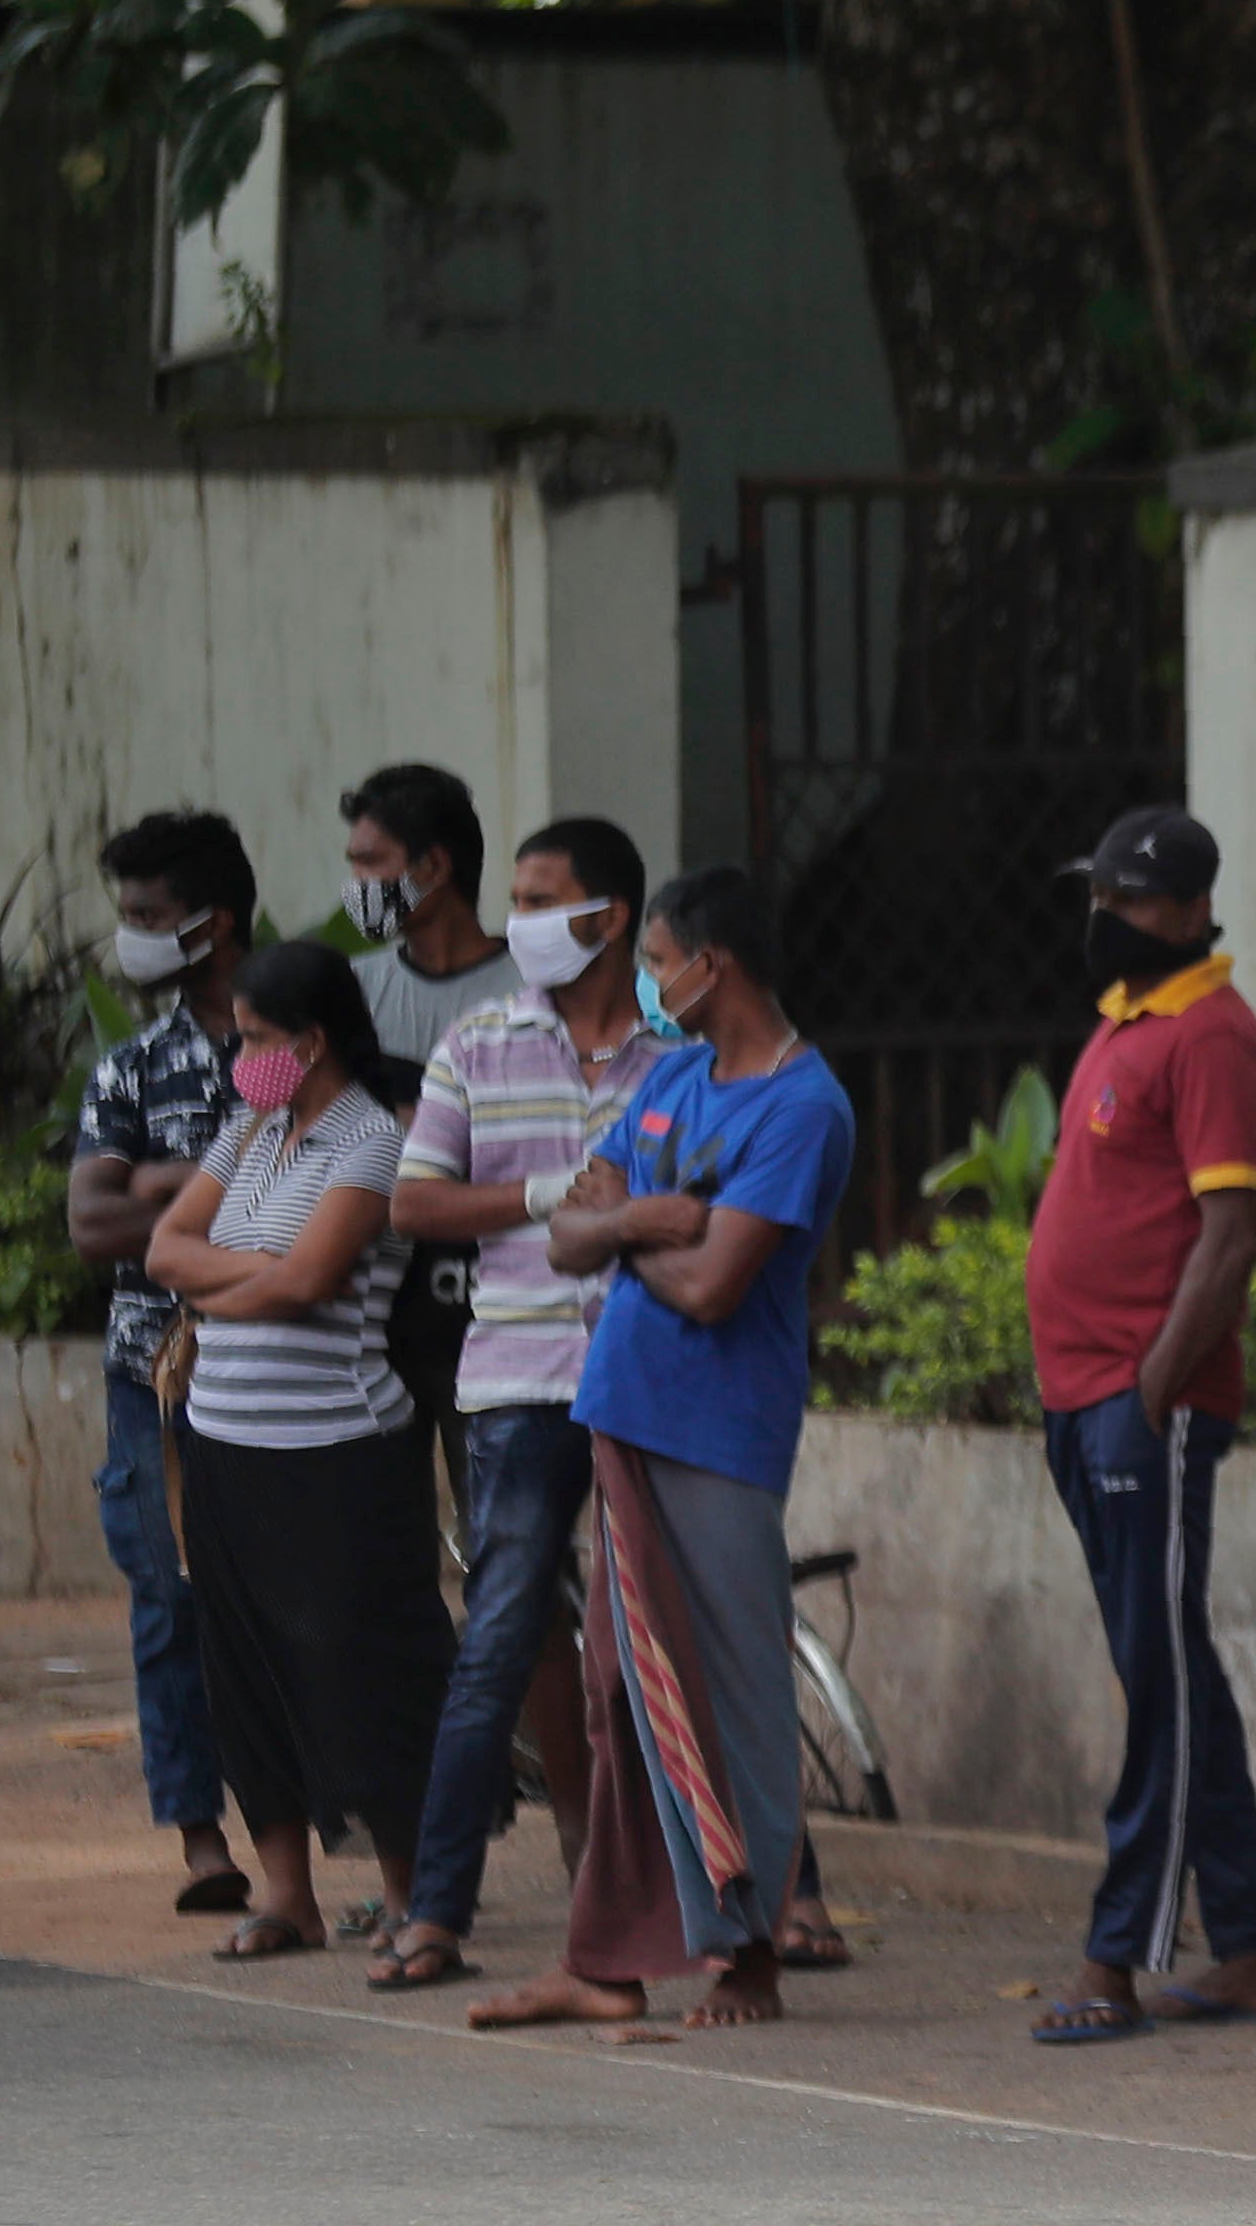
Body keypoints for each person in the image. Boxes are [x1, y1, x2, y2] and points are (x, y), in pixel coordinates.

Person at [467, 869, 856, 2032]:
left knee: (730, 1691)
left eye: (660, 957)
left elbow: (717, 1282)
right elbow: (580, 1228)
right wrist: (642, 1219)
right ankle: (606, 1958)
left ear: (712, 964)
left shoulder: (801, 1105)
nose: (648, 979)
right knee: (615, 1701)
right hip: (625, 1411)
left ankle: (752, 1953)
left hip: (719, 1432)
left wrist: (621, 1228)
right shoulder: (676, 1077)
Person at [1020, 807, 1256, 2045]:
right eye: (1099, 895)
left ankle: (1118, 1950)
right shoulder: (1126, 1022)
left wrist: (1153, 1385)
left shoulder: (1212, 1033)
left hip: (1148, 1407)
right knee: (1168, 1673)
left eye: (1125, 901)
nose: (1102, 921)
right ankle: (1250, 1948)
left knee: (1159, 1688)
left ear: (1188, 910)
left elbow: (1232, 1234)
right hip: (1084, 1397)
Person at [372, 816, 664, 1993]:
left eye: (548, 900)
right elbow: (413, 1202)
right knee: (497, 1635)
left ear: (613, 916)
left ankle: (772, 1903)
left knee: (681, 1640)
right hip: (517, 1384)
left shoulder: (680, 1050)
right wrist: (548, 1193)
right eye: (522, 898)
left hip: (649, 1375)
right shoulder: (479, 1042)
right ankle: (436, 1909)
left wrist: (628, 1211)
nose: (525, 921)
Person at [143, 940, 447, 1958]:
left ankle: (411, 1896)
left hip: (335, 1448)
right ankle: (287, 1894)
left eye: (258, 1035)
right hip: (226, 1440)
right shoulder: (250, 1128)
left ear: (311, 1041)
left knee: (362, 1673)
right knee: (245, 1669)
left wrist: (225, 1277)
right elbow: (162, 1250)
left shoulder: (372, 1141)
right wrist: (252, 1270)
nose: (241, 1052)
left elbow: (311, 1280)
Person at [64, 810, 257, 1916]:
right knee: (167, 1603)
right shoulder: (134, 1064)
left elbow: (335, 1186)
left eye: (144, 917)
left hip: (298, 1368)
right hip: (155, 1372)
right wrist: (227, 1191)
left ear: (209, 921)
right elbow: (91, 1220)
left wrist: (160, 1184)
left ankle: (341, 1820)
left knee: (304, 1601)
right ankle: (203, 1840)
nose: (131, 938)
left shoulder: (305, 1049)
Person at [341, 762, 518, 1486]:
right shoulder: (352, 992)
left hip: (500, 1318)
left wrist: (409, 1124)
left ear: (434, 866)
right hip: (377, 1324)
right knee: (385, 1558)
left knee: (505, 1551)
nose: (354, 884)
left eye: (369, 863)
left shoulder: (532, 995)